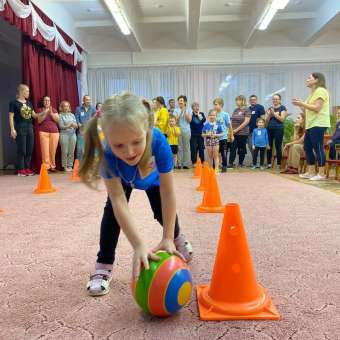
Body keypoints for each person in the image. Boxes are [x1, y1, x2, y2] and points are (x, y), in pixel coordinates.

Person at [79, 92, 193, 296]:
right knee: (111, 215)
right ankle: (103, 265)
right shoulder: (106, 154)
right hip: (124, 179)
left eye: (136, 141)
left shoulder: (159, 142)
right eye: (119, 145)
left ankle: (177, 237)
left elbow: (168, 193)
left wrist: (167, 237)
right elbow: (117, 200)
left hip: (153, 180)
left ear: (147, 130)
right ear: (108, 138)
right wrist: (139, 245)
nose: (129, 152)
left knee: (162, 211)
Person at [292, 72, 331, 180]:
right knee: (307, 147)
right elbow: (306, 110)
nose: (307, 80)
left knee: (318, 147)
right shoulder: (311, 93)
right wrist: (300, 104)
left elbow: (317, 108)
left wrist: (302, 103)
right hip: (311, 124)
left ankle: (322, 174)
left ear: (316, 80)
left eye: (309, 78)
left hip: (319, 123)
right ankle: (311, 172)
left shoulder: (321, 91)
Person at [9, 84, 37, 176]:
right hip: (20, 127)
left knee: (29, 149)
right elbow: (11, 117)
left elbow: (34, 115)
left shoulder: (29, 103)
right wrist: (12, 129)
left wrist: (45, 112)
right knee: (22, 149)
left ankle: (27, 168)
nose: (28, 93)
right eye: (27, 91)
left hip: (29, 127)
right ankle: (20, 169)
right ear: (21, 91)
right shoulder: (14, 103)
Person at [36, 96, 60, 172]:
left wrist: (52, 114)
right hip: (43, 132)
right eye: (45, 100)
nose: (47, 102)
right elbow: (39, 121)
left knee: (53, 150)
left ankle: (52, 166)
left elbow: (57, 120)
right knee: (45, 150)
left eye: (48, 100)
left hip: (54, 132)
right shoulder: (40, 110)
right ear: (43, 102)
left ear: (50, 102)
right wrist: (45, 113)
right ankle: (46, 167)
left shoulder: (54, 110)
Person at [265, 94, 288, 169]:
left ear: (280, 100)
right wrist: (269, 115)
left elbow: (282, 119)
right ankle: (269, 163)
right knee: (269, 146)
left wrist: (274, 114)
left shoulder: (282, 108)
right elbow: (266, 121)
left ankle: (278, 164)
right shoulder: (270, 108)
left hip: (279, 129)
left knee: (278, 146)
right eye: (274, 99)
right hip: (269, 129)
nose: (275, 100)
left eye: (277, 99)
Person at [229, 95, 251, 168]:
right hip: (234, 133)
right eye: (236, 100)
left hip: (242, 133)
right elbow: (232, 121)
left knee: (241, 148)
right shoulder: (236, 110)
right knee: (233, 147)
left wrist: (236, 129)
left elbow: (246, 122)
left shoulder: (247, 110)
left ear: (242, 101)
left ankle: (240, 163)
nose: (236, 102)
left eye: (238, 100)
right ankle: (231, 163)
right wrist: (232, 131)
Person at [213, 97, 233, 172]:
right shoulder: (213, 114)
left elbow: (229, 126)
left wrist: (231, 135)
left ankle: (224, 166)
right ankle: (215, 166)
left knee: (223, 152)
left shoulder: (225, 114)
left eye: (216, 104)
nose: (215, 106)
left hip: (223, 137)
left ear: (221, 105)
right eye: (214, 105)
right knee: (215, 153)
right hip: (215, 137)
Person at [173, 95, 192, 169]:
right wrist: (181, 112)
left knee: (186, 147)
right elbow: (175, 121)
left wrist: (185, 111)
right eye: (179, 101)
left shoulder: (189, 109)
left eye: (181, 101)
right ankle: (179, 163)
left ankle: (186, 164)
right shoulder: (176, 110)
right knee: (179, 147)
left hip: (186, 130)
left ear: (185, 102)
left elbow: (189, 120)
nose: (180, 102)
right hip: (178, 130)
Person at [75, 95, 96, 160]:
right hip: (81, 132)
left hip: (90, 132)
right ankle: (79, 165)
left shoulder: (93, 109)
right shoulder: (78, 109)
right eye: (87, 99)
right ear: (83, 100)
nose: (88, 101)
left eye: (89, 100)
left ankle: (88, 165)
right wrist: (81, 126)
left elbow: (94, 119)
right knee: (80, 149)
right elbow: (77, 120)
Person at [58, 101, 77, 172]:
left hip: (73, 134)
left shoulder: (72, 115)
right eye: (64, 106)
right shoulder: (60, 115)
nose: (66, 107)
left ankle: (70, 165)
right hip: (64, 134)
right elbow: (61, 126)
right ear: (62, 107)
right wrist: (69, 125)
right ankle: (65, 166)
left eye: (67, 106)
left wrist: (74, 125)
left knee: (71, 151)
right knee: (65, 151)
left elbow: (76, 125)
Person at [248, 95, 265, 160]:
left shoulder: (260, 107)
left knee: (258, 147)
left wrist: (261, 129)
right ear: (249, 101)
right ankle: (254, 160)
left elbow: (263, 119)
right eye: (251, 100)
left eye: (254, 99)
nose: (253, 101)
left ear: (256, 100)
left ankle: (258, 162)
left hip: (258, 131)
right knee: (251, 146)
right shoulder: (248, 109)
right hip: (250, 131)